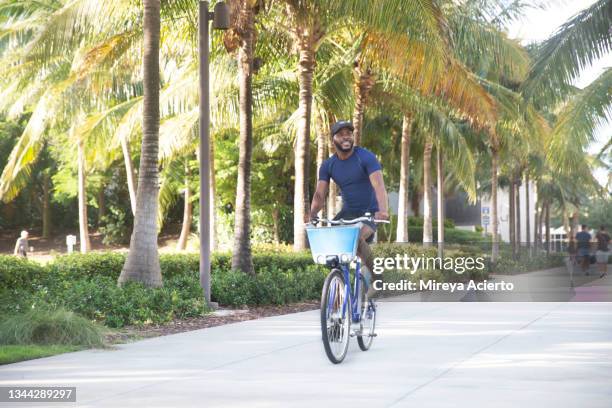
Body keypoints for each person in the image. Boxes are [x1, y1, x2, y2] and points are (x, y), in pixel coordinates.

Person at [308, 120, 389, 297]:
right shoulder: (329, 165)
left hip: (368, 212)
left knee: (356, 238)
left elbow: (379, 186)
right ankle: (338, 283)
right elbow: (320, 194)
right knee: (330, 243)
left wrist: (383, 211)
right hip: (347, 213)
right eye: (341, 133)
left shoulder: (365, 157)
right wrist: (313, 214)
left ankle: (378, 277)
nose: (346, 136)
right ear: (333, 139)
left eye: (349, 133)